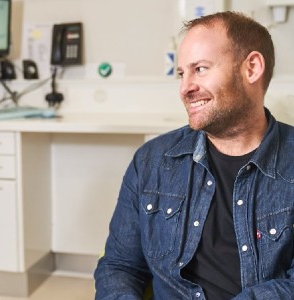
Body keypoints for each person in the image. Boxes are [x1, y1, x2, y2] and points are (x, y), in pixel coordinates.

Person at [94, 11, 294, 299]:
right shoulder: (151, 162)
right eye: (181, 73)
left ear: (251, 68)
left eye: (200, 69)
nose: (185, 87)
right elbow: (120, 266)